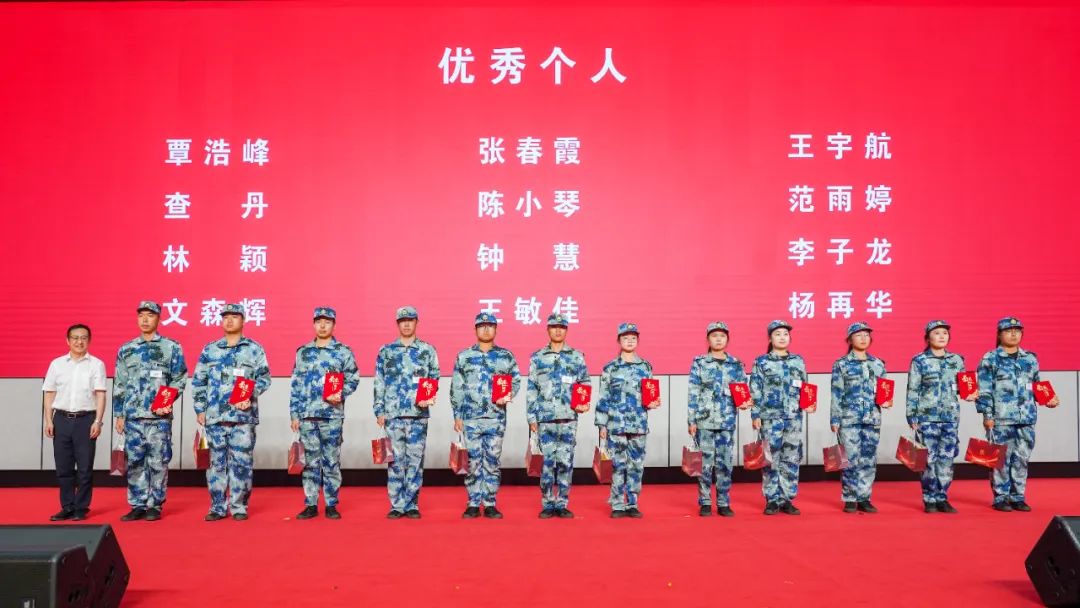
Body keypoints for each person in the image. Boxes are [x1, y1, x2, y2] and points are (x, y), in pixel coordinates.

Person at [192, 303, 271, 521]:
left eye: (234, 317)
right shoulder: (210, 350)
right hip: (215, 417)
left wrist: (249, 394)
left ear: (243, 320)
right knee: (215, 464)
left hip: (242, 418)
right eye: (225, 317)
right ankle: (217, 507)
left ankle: (239, 506)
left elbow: (265, 378)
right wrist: (200, 408)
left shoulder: (254, 349)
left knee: (242, 463)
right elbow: (199, 381)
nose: (229, 320)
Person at [113, 301, 188, 521]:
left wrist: (167, 400)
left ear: (158, 318)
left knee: (158, 461)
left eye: (150, 315)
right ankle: (137, 504)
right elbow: (120, 384)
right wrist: (119, 414)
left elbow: (179, 378)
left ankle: (155, 504)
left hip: (159, 418)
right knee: (135, 462)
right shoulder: (126, 349)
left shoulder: (171, 347)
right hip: (133, 417)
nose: (145, 320)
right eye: (141, 315)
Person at [976, 317, 1059, 511]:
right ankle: (1000, 497)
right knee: (1001, 459)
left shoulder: (1030, 358)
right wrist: (987, 415)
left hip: (1026, 417)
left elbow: (1037, 386)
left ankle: (1018, 496)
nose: (1013, 334)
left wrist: (1049, 399)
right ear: (999, 335)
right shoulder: (990, 359)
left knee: (1022, 458)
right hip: (1001, 418)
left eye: (1017, 330)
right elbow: (984, 390)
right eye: (1008, 330)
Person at [289, 307, 359, 520]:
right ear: (313, 324)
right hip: (307, 416)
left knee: (331, 461)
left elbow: (353, 378)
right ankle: (310, 504)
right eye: (319, 321)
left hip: (332, 415)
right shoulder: (303, 352)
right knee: (310, 462)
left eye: (327, 322)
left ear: (334, 325)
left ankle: (331, 504)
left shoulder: (343, 351)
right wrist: (294, 414)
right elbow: (296, 384)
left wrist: (341, 393)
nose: (322, 325)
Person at [450, 312, 520, 519]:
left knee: (492, 461)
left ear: (496, 329)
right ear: (475, 330)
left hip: (495, 417)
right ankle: (473, 503)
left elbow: (515, 380)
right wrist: (457, 415)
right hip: (470, 418)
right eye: (482, 326)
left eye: (490, 325)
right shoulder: (464, 356)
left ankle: (489, 503)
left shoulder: (506, 356)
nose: (486, 329)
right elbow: (457, 387)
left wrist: (506, 395)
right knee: (472, 462)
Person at [374, 306, 440, 519]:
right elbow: (379, 382)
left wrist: (427, 397)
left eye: (410, 320)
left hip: (418, 414)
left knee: (415, 461)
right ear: (397, 324)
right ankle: (396, 505)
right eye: (403, 321)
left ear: (416, 323)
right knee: (395, 461)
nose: (406, 324)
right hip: (393, 415)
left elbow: (434, 377)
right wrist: (379, 410)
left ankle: (411, 504)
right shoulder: (386, 351)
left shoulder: (427, 350)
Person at [526, 312, 590, 519]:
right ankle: (547, 503)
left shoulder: (576, 356)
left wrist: (582, 403)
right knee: (546, 463)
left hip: (568, 418)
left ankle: (562, 503)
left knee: (565, 462)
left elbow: (584, 382)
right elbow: (532, 389)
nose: (557, 330)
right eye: (554, 327)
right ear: (548, 330)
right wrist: (531, 417)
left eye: (561, 327)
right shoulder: (537, 357)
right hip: (545, 419)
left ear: (566, 330)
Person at [42, 323, 106, 521]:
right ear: (68, 341)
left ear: (89, 340)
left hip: (85, 420)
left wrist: (98, 421)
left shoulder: (96, 364)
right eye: (75, 338)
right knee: (64, 468)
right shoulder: (57, 364)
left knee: (85, 468)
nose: (80, 341)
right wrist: (48, 420)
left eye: (84, 338)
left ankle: (81, 507)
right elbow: (49, 393)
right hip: (61, 419)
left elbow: (100, 395)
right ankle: (67, 506)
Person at [906, 320, 971, 513]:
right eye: (936, 333)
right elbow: (913, 390)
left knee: (947, 459)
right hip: (926, 418)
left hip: (950, 417)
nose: (942, 336)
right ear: (927, 338)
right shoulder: (919, 361)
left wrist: (970, 393)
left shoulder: (957, 360)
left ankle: (942, 497)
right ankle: (929, 498)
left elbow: (964, 386)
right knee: (928, 459)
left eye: (945, 333)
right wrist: (912, 416)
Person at [596, 322, 659, 518]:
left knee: (636, 465)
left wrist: (654, 401)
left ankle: (632, 503)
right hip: (616, 424)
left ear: (638, 341)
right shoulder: (611, 368)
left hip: (638, 424)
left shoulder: (645, 367)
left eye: (633, 338)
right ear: (619, 340)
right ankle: (617, 504)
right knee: (617, 465)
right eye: (625, 338)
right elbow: (603, 396)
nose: (630, 341)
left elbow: (650, 394)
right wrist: (601, 424)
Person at [687, 321, 749, 517]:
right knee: (704, 464)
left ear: (727, 339)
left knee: (725, 464)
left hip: (727, 420)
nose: (718, 339)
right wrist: (691, 420)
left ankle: (723, 502)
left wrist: (745, 402)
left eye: (722, 336)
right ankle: (705, 501)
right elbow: (693, 392)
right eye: (714, 336)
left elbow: (742, 389)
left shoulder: (736, 364)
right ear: (708, 339)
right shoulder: (699, 362)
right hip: (704, 420)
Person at [750, 320, 812, 515]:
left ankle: (787, 499)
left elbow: (805, 387)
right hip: (770, 418)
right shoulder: (762, 362)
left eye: (785, 334)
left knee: (791, 458)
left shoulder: (798, 361)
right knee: (770, 459)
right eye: (777, 334)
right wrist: (755, 414)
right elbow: (755, 389)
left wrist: (809, 403)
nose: (782, 337)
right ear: (770, 338)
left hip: (793, 417)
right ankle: (771, 499)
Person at [829, 321, 889, 514]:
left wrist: (886, 400)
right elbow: (836, 393)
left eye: (866, 335)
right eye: (858, 335)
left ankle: (864, 497)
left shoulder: (878, 364)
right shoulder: (841, 364)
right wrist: (835, 419)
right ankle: (849, 497)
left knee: (868, 459)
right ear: (849, 340)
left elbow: (884, 390)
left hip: (872, 418)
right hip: (849, 419)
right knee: (850, 459)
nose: (863, 338)